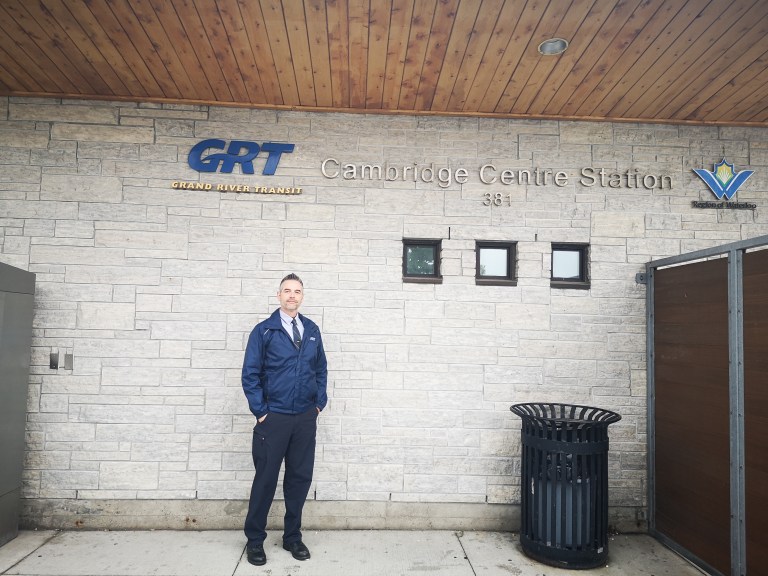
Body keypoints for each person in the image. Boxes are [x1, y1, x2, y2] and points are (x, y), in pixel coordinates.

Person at [241, 273, 328, 566]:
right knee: (265, 480)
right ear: (278, 296)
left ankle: (292, 536)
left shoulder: (312, 329)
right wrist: (261, 411)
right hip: (274, 418)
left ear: (302, 296)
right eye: (287, 291)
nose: (292, 295)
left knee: (299, 479)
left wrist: (318, 403)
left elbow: (321, 370)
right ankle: (255, 541)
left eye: (297, 291)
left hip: (304, 418)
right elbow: (250, 374)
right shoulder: (264, 331)